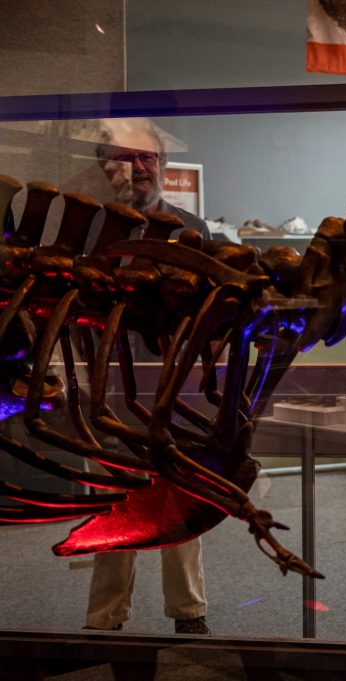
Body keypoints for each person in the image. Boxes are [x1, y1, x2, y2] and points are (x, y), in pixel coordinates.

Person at [83, 118, 211, 635]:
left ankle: (188, 611)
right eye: (126, 158)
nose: (140, 168)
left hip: (172, 382)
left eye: (148, 158)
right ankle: (105, 616)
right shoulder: (88, 228)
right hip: (107, 383)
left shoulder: (191, 230)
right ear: (103, 165)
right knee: (115, 499)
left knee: (179, 493)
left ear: (162, 163)